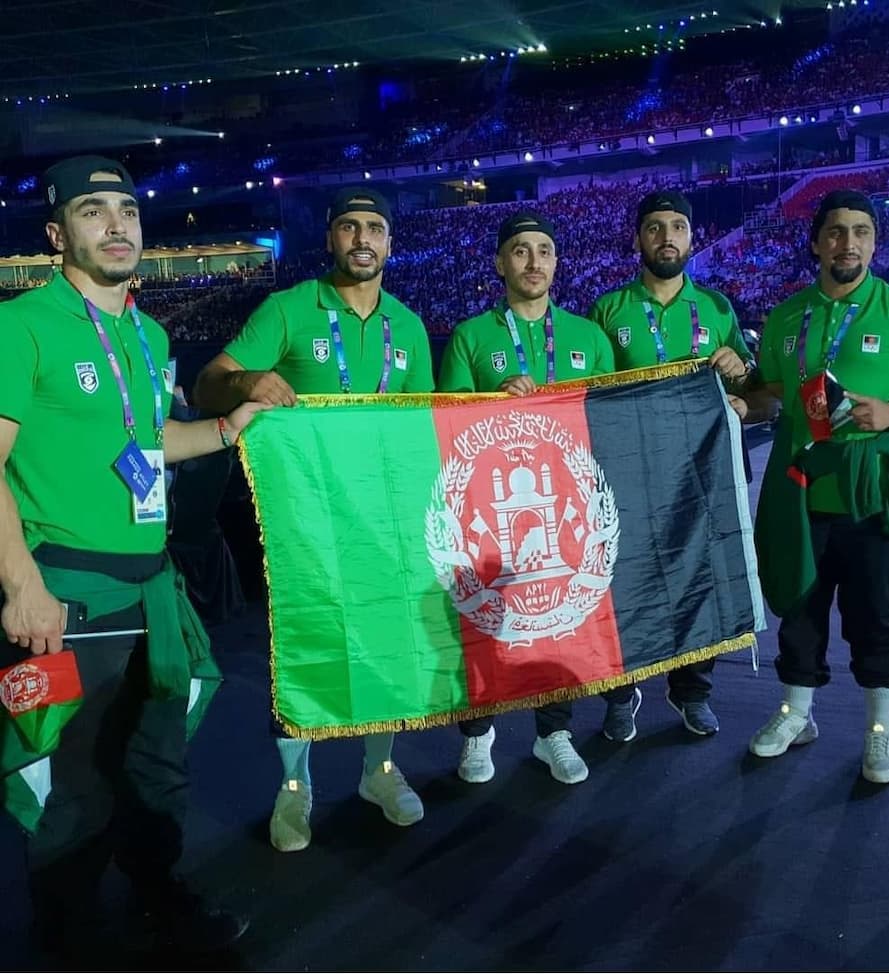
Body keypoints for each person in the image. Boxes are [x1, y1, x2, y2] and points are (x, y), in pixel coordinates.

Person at [0, 155, 262, 957]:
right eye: (93, 212)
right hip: (70, 589)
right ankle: (68, 930)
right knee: (72, 774)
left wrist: (228, 426)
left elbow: (146, 443)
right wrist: (21, 587)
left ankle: (158, 893)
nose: (117, 225)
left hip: (153, 586)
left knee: (158, 763)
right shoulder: (22, 325)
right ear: (57, 235)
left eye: (127, 210)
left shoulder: (148, 334)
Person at [193, 187, 433, 851]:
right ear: (330, 239)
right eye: (349, 227)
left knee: (385, 650)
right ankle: (294, 787)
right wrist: (246, 383)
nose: (362, 238)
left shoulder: (408, 326)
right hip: (303, 523)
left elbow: (418, 432)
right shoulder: (289, 309)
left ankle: (378, 771)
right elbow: (207, 384)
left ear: (389, 242)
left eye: (375, 227)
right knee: (303, 654)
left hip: (384, 524)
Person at [748, 189, 889, 784]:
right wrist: (741, 401)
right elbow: (774, 396)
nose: (848, 243)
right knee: (800, 607)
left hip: (874, 487)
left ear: (874, 242)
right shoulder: (786, 316)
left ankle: (880, 732)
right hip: (802, 484)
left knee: (876, 614)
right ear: (816, 242)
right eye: (836, 231)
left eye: (861, 232)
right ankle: (795, 713)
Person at [437, 210, 636, 787]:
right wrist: (492, 401)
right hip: (488, 506)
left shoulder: (588, 335)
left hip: (565, 501)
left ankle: (555, 732)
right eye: (520, 251)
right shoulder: (472, 336)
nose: (533, 262)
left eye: (544, 250)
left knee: (558, 616)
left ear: (556, 262)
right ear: (501, 262)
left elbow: (611, 416)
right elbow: (443, 424)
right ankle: (479, 735)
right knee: (482, 615)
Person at [589, 190, 756, 738]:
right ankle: (620, 691)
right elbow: (591, 396)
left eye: (678, 227)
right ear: (638, 238)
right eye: (655, 227)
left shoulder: (715, 308)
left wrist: (738, 376)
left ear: (691, 237)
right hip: (629, 474)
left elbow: (747, 382)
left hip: (698, 471)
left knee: (699, 574)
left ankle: (692, 689)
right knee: (623, 578)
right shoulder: (607, 311)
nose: (666, 237)